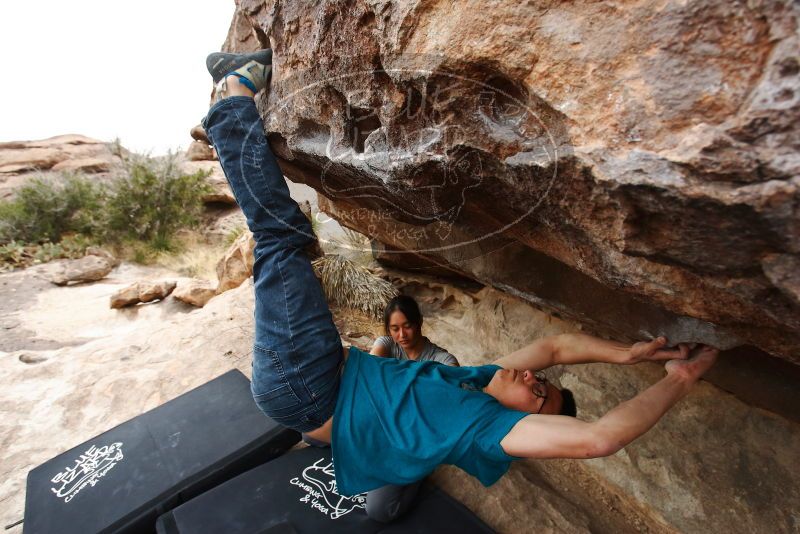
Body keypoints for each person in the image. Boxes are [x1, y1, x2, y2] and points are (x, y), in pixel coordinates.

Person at [202, 49, 718, 504]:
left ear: (524, 422)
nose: (535, 381)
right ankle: (231, 102)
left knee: (281, 237)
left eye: (538, 397)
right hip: (314, 381)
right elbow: (557, 348)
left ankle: (231, 97)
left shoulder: (483, 427)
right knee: (290, 240)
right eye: (545, 386)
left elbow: (599, 439)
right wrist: (627, 353)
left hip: (305, 384)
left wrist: (681, 380)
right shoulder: (470, 382)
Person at [371, 295, 459, 366]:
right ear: (389, 330)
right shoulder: (386, 345)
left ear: (419, 322)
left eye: (408, 326)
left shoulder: (443, 360)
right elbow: (369, 369)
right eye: (395, 329)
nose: (402, 335)